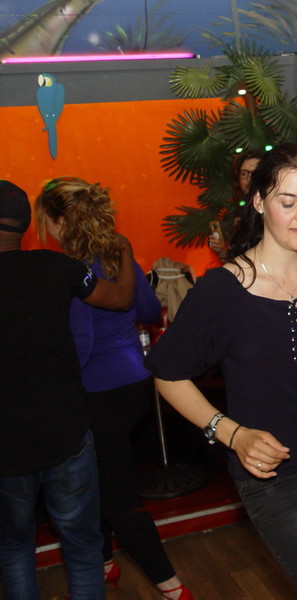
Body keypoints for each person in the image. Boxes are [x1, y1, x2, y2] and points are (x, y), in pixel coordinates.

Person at [145, 143, 297, 600]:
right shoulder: (223, 291)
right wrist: (233, 434)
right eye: (288, 202)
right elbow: (168, 373)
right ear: (259, 201)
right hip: (275, 481)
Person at [35, 177, 194, 600]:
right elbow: (149, 309)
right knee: (98, 480)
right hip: (133, 383)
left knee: (116, 494)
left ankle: (172, 587)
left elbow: (82, 341)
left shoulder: (72, 269)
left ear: (60, 221)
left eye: (45, 221)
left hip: (98, 391)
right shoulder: (113, 256)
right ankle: (105, 563)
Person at [0, 179, 135, 600]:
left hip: (6, 439)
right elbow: (120, 298)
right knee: (82, 546)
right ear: (26, 225)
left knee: (14, 546)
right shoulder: (58, 267)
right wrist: (125, 253)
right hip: (66, 429)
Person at [209, 149, 265, 255]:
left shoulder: (272, 208)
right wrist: (221, 251)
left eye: (254, 173)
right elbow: (240, 255)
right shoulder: (242, 210)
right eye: (244, 174)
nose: (249, 179)